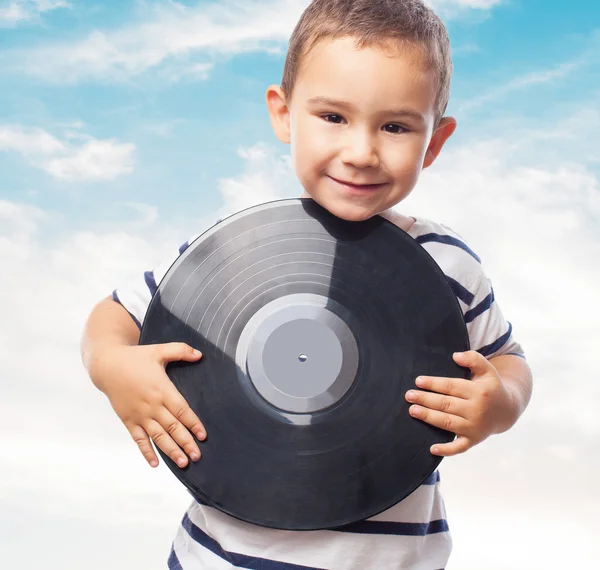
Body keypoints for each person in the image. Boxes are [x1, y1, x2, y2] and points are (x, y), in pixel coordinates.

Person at [81, 0, 533, 568]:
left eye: (395, 126)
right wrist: (111, 367)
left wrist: (502, 403)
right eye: (333, 117)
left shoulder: (450, 266)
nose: (361, 152)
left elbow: (509, 361)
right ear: (284, 114)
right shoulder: (234, 248)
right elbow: (114, 314)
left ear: (434, 142)